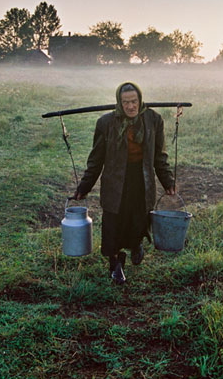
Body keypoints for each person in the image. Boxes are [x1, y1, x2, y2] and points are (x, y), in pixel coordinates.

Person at [74, 82, 176, 284]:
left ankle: (136, 244)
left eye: (134, 101)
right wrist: (84, 187)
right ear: (119, 103)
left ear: (140, 100)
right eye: (126, 102)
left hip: (141, 179)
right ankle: (115, 264)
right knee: (113, 223)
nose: (131, 106)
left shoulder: (153, 120)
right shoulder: (106, 123)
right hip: (115, 181)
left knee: (138, 218)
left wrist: (168, 181)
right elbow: (96, 159)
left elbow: (159, 156)